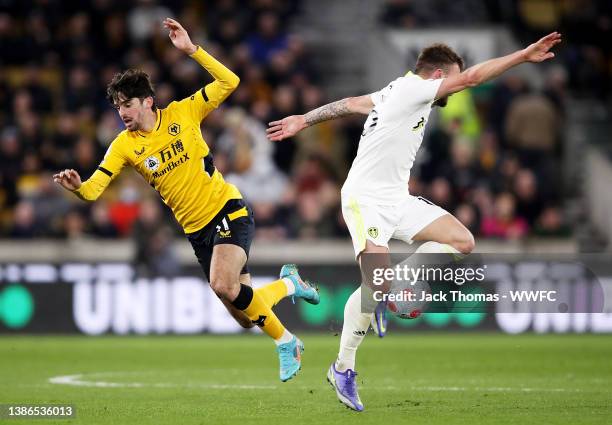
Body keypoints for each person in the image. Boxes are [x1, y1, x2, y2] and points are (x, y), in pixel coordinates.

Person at [267, 32, 561, 410]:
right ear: (437, 74)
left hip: (396, 199)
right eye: (448, 81)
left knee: (462, 241)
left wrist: (304, 119)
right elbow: (472, 79)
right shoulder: (414, 90)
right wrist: (522, 55)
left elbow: (352, 103)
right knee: (376, 284)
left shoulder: (396, 89)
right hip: (365, 199)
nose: (452, 90)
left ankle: (398, 285)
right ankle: (343, 367)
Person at [53, 18, 319, 382]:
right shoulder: (124, 146)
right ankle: (290, 284)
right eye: (117, 107)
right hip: (197, 232)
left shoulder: (183, 112)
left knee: (222, 285)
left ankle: (287, 342)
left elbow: (230, 82)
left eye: (127, 104)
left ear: (147, 101)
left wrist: (192, 51)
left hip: (227, 209)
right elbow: (95, 189)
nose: (122, 113)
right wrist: (78, 187)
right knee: (243, 316)